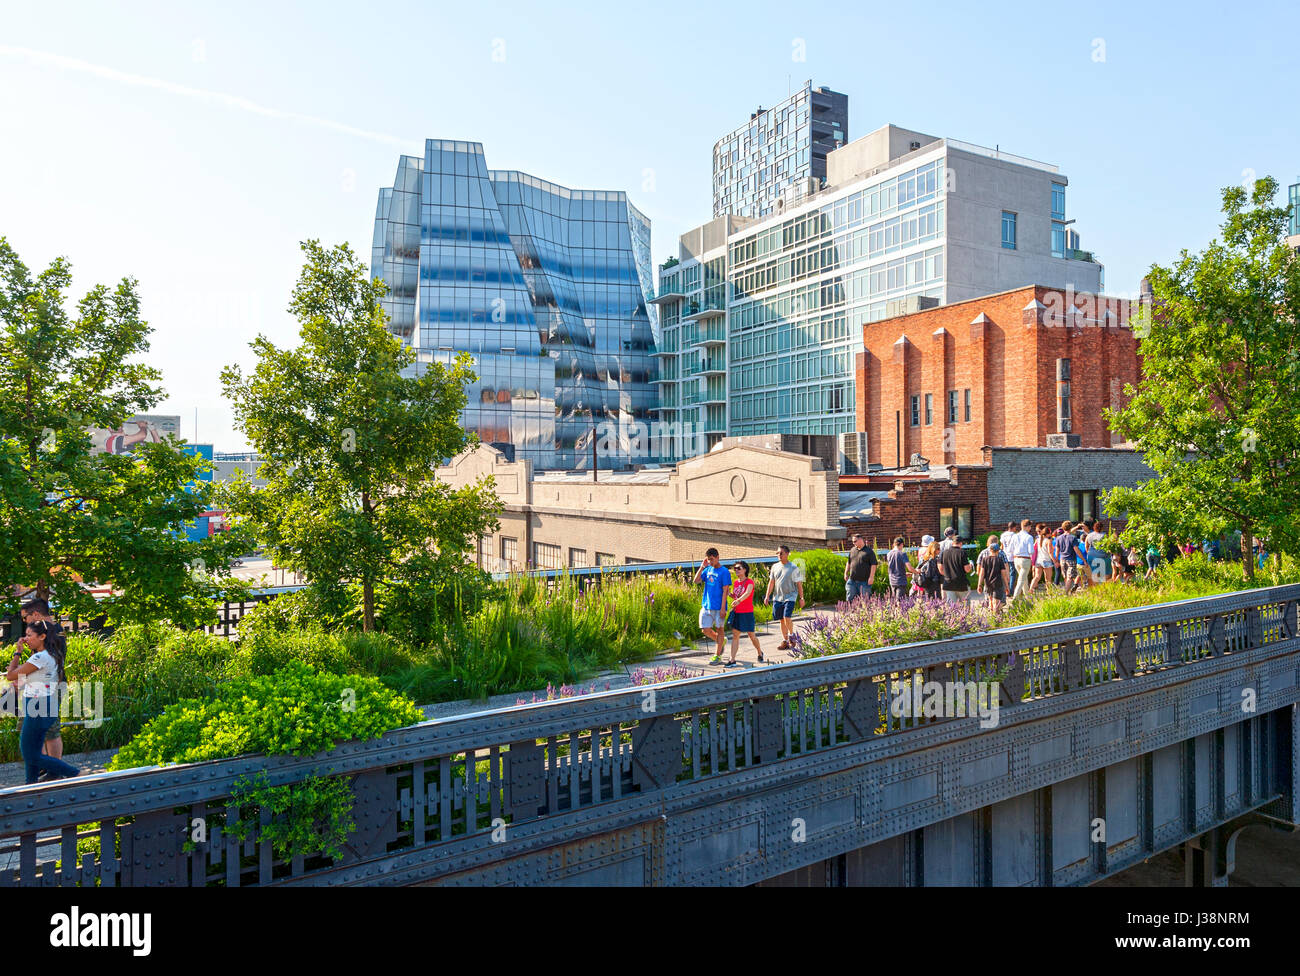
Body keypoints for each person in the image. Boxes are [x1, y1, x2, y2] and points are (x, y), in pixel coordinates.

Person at [7, 621, 79, 784]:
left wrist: (18, 653)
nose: (26, 639)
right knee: (32, 750)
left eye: (29, 635)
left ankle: (74, 773)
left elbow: (10, 675)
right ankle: (30, 785)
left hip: (38, 705)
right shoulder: (51, 655)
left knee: (29, 753)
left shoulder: (40, 657)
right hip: (42, 704)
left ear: (42, 636)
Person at [693, 548, 731, 665]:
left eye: (712, 559)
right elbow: (696, 580)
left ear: (718, 557)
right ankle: (721, 641)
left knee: (720, 629)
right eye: (708, 560)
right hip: (706, 605)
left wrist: (723, 608)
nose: (710, 562)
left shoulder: (724, 572)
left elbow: (725, 590)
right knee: (705, 629)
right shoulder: (708, 569)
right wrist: (702, 567)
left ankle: (717, 655)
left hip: (719, 607)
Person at [764, 545, 805, 651]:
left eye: (781, 553)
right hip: (778, 597)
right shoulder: (774, 567)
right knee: (782, 620)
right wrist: (767, 596)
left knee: (787, 617)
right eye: (777, 553)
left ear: (787, 554)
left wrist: (801, 598)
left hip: (790, 596)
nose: (779, 555)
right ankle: (785, 641)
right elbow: (771, 582)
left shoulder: (793, 567)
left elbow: (799, 584)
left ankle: (792, 636)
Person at [722, 562, 763, 667]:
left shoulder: (749, 582)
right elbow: (736, 596)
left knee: (751, 635)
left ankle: (759, 651)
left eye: (738, 568)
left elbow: (747, 593)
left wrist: (739, 600)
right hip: (737, 612)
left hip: (747, 613)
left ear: (745, 570)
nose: (736, 570)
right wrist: (729, 594)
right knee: (735, 635)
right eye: (735, 568)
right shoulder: (736, 582)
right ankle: (732, 660)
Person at [977, 535, 1010, 612]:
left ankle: (991, 616)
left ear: (990, 550)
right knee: (997, 603)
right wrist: (1007, 585)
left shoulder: (984, 559)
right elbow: (1004, 574)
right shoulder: (1000, 559)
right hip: (998, 583)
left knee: (990, 602)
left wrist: (979, 584)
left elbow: (981, 573)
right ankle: (996, 618)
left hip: (988, 583)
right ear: (998, 550)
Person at [939, 535, 974, 603]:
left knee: (952, 608)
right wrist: (970, 565)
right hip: (961, 583)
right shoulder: (962, 552)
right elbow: (967, 569)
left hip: (948, 583)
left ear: (952, 543)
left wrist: (947, 574)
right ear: (961, 543)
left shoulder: (944, 552)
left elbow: (940, 568)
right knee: (965, 605)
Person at [843, 534, 877, 603]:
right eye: (853, 542)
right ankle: (850, 613)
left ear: (861, 540)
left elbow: (874, 565)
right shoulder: (852, 550)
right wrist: (845, 573)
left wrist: (871, 577)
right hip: (852, 580)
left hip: (864, 582)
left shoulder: (869, 552)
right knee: (850, 599)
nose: (853, 543)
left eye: (855, 541)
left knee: (865, 601)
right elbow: (849, 562)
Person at [1010, 518, 1036, 602]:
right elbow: (1031, 551)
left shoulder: (1015, 536)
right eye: (1030, 527)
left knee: (1024, 579)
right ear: (1027, 527)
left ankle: (1028, 598)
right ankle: (1014, 599)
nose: (1030, 528)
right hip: (1025, 560)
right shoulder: (1029, 537)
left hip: (1016, 559)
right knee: (1021, 580)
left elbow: (1011, 549)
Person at [885, 537, 911, 603]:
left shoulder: (889, 554)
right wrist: (917, 572)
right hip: (901, 580)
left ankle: (895, 612)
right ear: (901, 544)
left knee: (895, 600)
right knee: (900, 602)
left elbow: (892, 567)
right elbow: (910, 568)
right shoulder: (902, 554)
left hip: (892, 580)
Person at [999, 522, 1018, 592]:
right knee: (1012, 573)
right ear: (1013, 527)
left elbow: (1002, 546)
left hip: (1004, 555)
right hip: (1012, 556)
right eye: (1015, 527)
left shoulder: (1003, 535)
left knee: (1005, 573)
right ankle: (1011, 590)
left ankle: (1006, 589)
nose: (1016, 529)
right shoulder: (1015, 535)